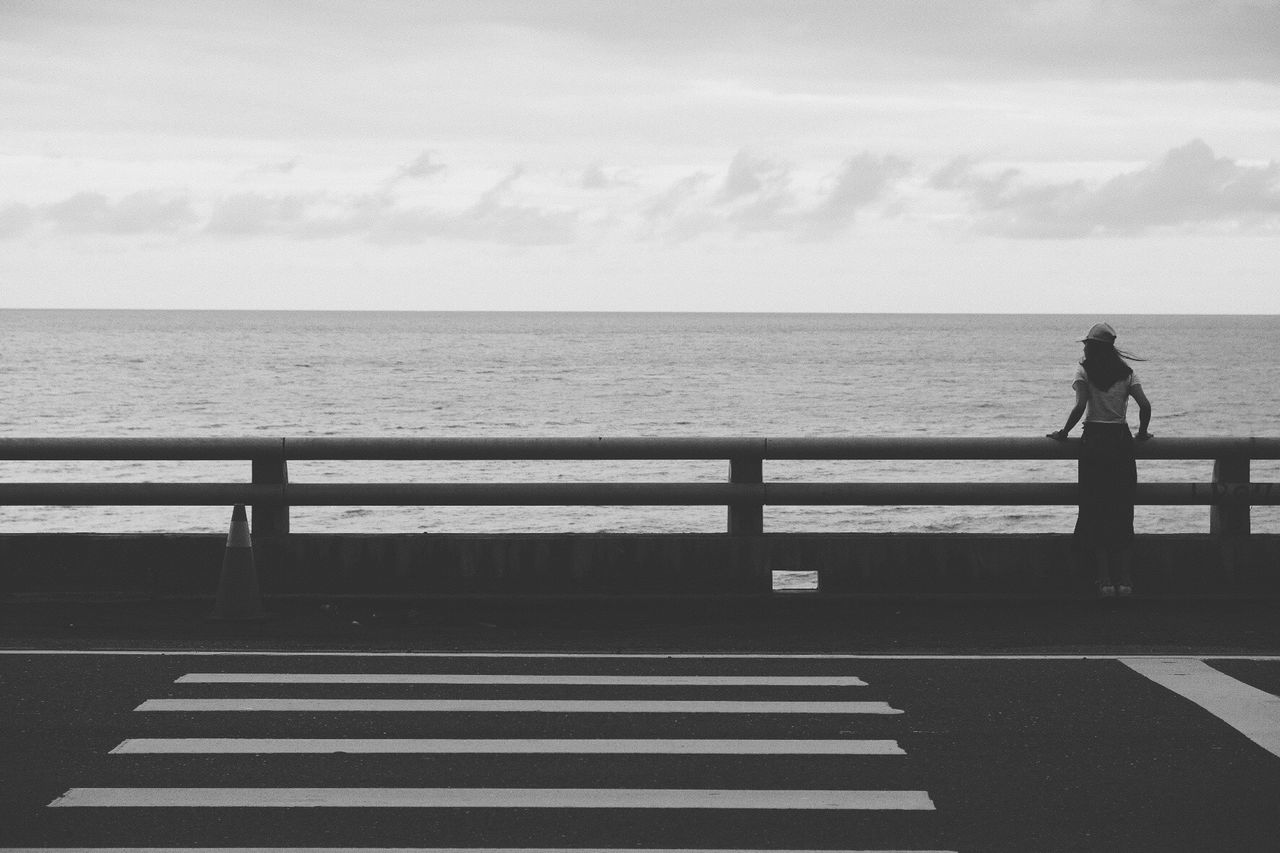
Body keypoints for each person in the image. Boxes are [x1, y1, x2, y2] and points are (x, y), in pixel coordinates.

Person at [1047, 322, 1152, 597]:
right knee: (1122, 508)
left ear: (1091, 347)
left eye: (1086, 343)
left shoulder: (1084, 371)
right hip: (1120, 441)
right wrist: (1141, 433)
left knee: (1095, 509)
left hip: (1094, 442)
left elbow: (1081, 406)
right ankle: (1126, 580)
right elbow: (1145, 406)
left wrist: (1064, 432)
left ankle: (1104, 579)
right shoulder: (1128, 374)